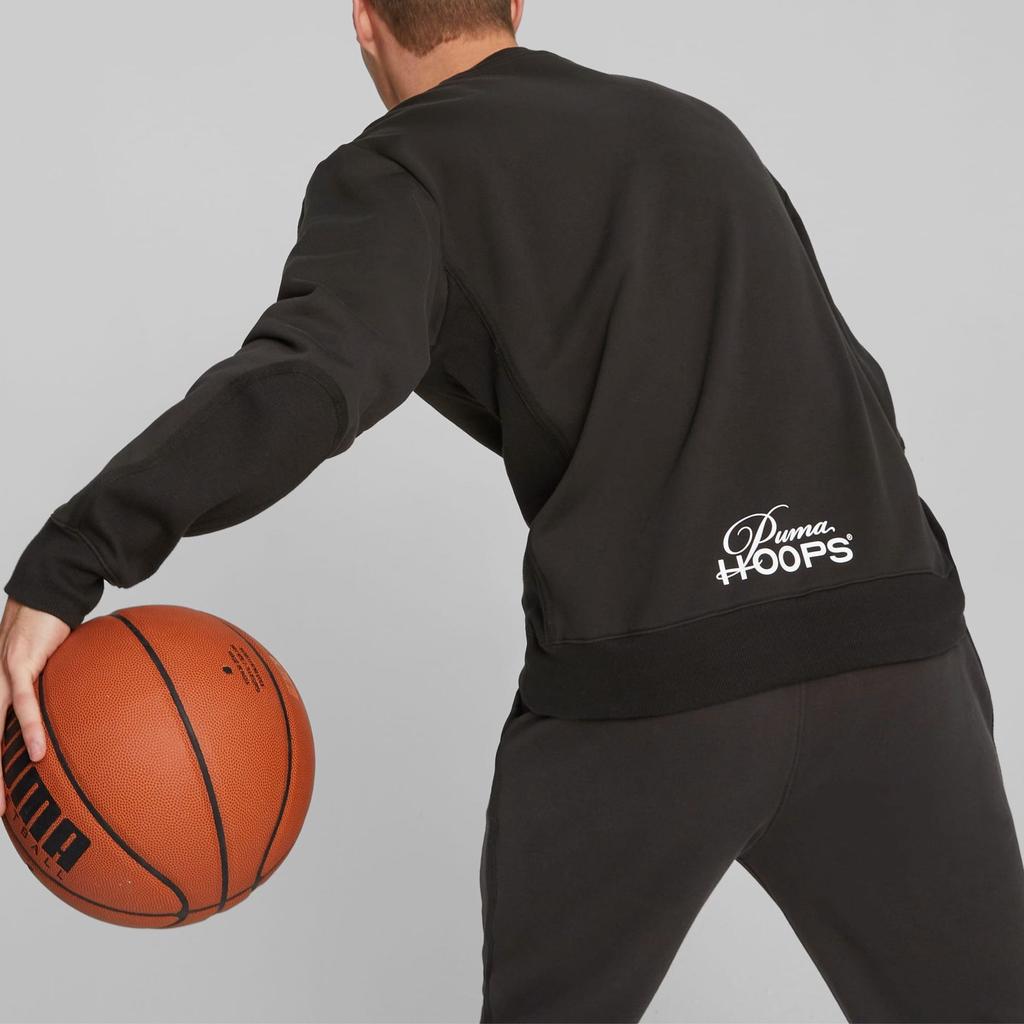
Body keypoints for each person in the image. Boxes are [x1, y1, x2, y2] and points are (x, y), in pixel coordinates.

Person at [3, 1, 1023, 1020]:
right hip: (892, 652)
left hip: (650, 687)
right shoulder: (693, 128)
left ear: (364, 19)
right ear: (515, 4)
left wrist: (73, 556)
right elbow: (854, 385)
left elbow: (306, 385)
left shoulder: (402, 171)